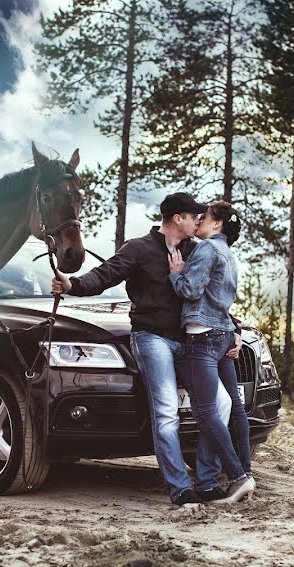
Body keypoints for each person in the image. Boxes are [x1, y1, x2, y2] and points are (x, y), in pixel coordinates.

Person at [51, 192, 242, 506]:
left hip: (188, 341)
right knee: (167, 410)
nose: (199, 219)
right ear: (177, 218)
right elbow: (104, 275)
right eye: (194, 215)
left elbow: (212, 295)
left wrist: (233, 328)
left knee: (220, 404)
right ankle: (181, 488)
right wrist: (72, 285)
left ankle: (207, 482)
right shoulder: (139, 248)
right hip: (151, 338)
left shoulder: (196, 250)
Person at [168, 200, 254, 503]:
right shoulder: (229, 255)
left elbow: (190, 291)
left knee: (206, 412)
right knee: (230, 407)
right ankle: (240, 472)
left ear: (216, 224)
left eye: (204, 217)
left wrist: (177, 273)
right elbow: (222, 300)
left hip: (201, 337)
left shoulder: (207, 249)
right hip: (221, 335)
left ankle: (238, 476)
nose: (200, 221)